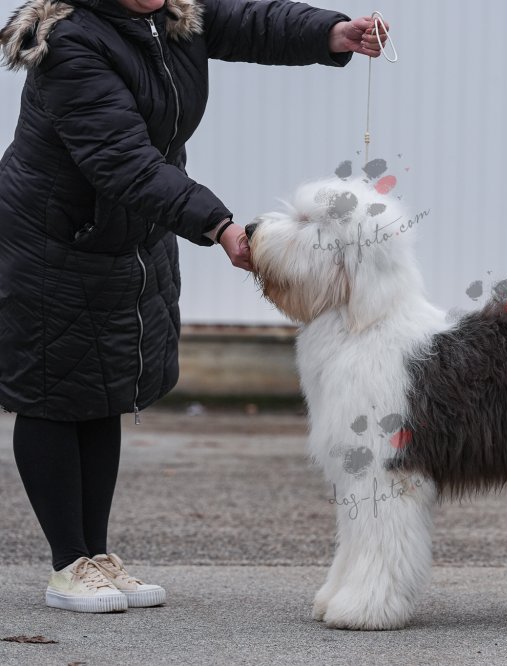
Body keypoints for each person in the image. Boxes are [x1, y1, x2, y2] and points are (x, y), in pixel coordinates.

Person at [0, 0, 387, 613]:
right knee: (52, 391)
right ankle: (68, 564)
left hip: (127, 233)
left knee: (103, 388)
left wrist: (332, 32)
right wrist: (219, 225)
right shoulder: (69, 43)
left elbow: (255, 22)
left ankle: (97, 556)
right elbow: (122, 159)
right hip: (54, 238)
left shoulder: (175, 12)